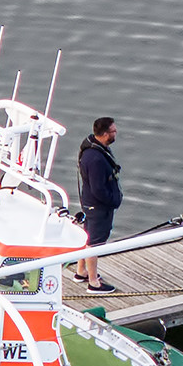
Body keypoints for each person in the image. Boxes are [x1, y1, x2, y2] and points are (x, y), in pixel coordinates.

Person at [74, 115, 119, 290]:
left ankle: (81, 271)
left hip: (89, 203)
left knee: (87, 236)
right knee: (95, 243)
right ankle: (93, 282)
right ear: (105, 134)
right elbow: (98, 189)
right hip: (98, 206)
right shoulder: (96, 159)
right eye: (114, 131)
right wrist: (113, 201)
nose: (116, 134)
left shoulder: (92, 149)